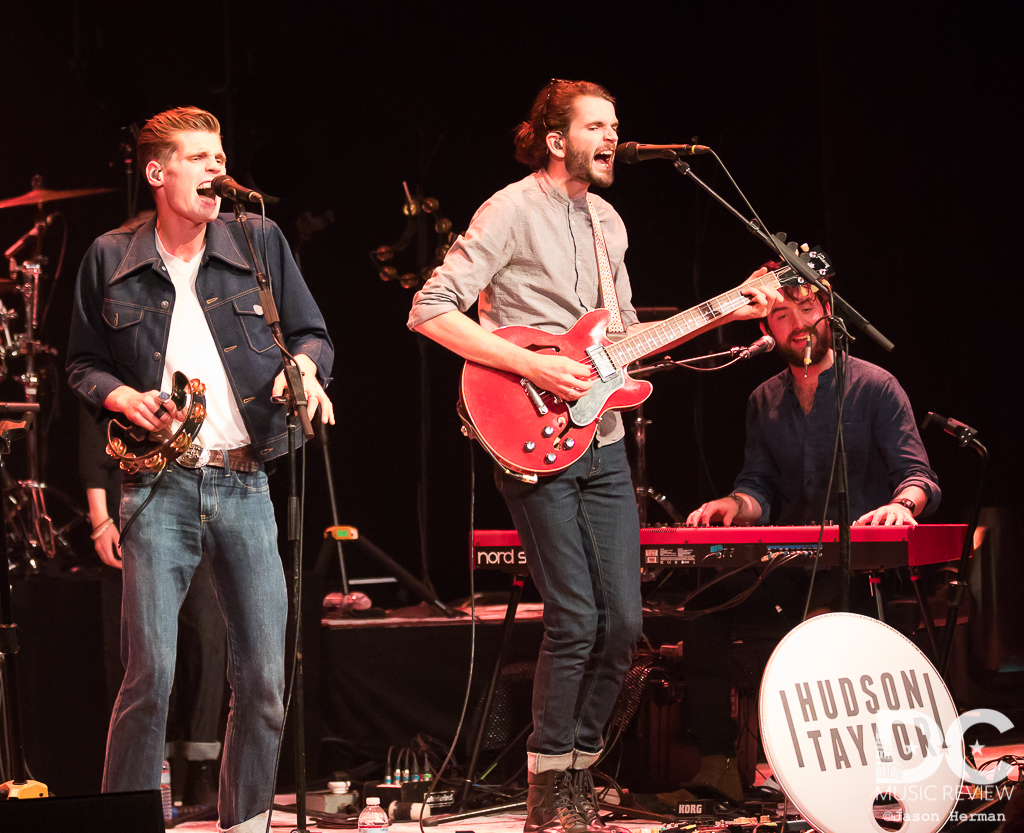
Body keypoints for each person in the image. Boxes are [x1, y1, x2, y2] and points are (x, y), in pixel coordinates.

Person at [408, 79, 777, 833]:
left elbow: (623, 337)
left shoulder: (610, 221)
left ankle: (577, 772)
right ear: (555, 139)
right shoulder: (509, 209)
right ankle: (549, 790)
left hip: (600, 439)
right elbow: (430, 309)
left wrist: (730, 305)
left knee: (622, 620)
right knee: (575, 616)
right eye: (597, 126)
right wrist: (538, 367)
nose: (613, 137)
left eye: (617, 125)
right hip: (530, 432)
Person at [66, 106, 334, 833]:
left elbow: (311, 332)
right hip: (156, 483)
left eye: (220, 155)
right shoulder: (110, 255)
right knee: (150, 672)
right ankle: (121, 820)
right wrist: (122, 394)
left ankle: (245, 822)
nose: (217, 167)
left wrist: (303, 371)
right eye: (199, 156)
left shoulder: (258, 240)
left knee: (266, 679)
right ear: (159, 173)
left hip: (244, 478)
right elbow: (82, 364)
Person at [657, 280, 941, 809]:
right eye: (783, 315)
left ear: (829, 313)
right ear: (767, 328)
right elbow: (758, 487)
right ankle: (719, 765)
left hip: (861, 565)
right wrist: (734, 506)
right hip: (792, 561)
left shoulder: (876, 386)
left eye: (807, 309)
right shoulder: (762, 398)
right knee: (702, 605)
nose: (798, 323)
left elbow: (918, 475)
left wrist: (902, 505)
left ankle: (835, 775)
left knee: (823, 614)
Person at [79, 400, 225, 817]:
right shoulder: (121, 367)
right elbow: (93, 442)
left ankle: (201, 764)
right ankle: (151, 772)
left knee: (207, 640)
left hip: (203, 501)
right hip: (139, 505)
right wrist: (100, 520)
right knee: (147, 649)